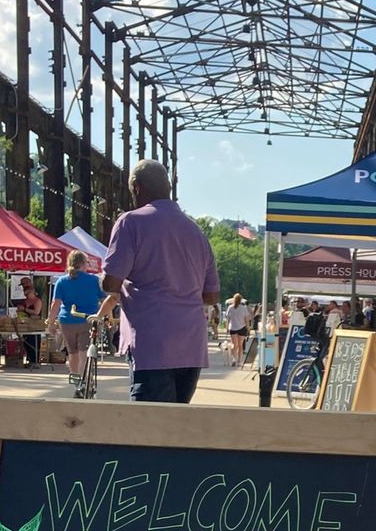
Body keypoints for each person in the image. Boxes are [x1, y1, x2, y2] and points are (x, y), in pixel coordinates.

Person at [101, 158, 220, 404]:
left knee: (150, 430)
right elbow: (211, 296)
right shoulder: (196, 231)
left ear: (136, 187)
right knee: (176, 429)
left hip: (152, 343)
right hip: (190, 345)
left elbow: (111, 283)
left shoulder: (130, 222)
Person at [49, 250, 115, 394]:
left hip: (66, 321)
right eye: (86, 262)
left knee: (72, 353)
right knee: (84, 352)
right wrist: (109, 317)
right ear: (82, 264)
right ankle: (84, 383)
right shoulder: (94, 280)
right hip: (88, 320)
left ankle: (76, 383)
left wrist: (50, 323)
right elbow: (106, 300)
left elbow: (56, 303)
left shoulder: (62, 281)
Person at [17, 276, 44, 366]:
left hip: (35, 324)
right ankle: (29, 360)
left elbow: (36, 312)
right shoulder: (25, 301)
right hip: (26, 324)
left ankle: (35, 361)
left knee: (34, 342)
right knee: (26, 342)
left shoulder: (37, 300)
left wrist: (24, 309)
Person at [225, 292, 250, 365]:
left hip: (233, 328)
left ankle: (234, 359)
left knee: (234, 345)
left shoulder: (230, 308)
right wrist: (248, 328)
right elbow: (246, 319)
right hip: (242, 328)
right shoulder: (244, 308)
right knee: (240, 345)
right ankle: (239, 361)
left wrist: (227, 328)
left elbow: (228, 319)